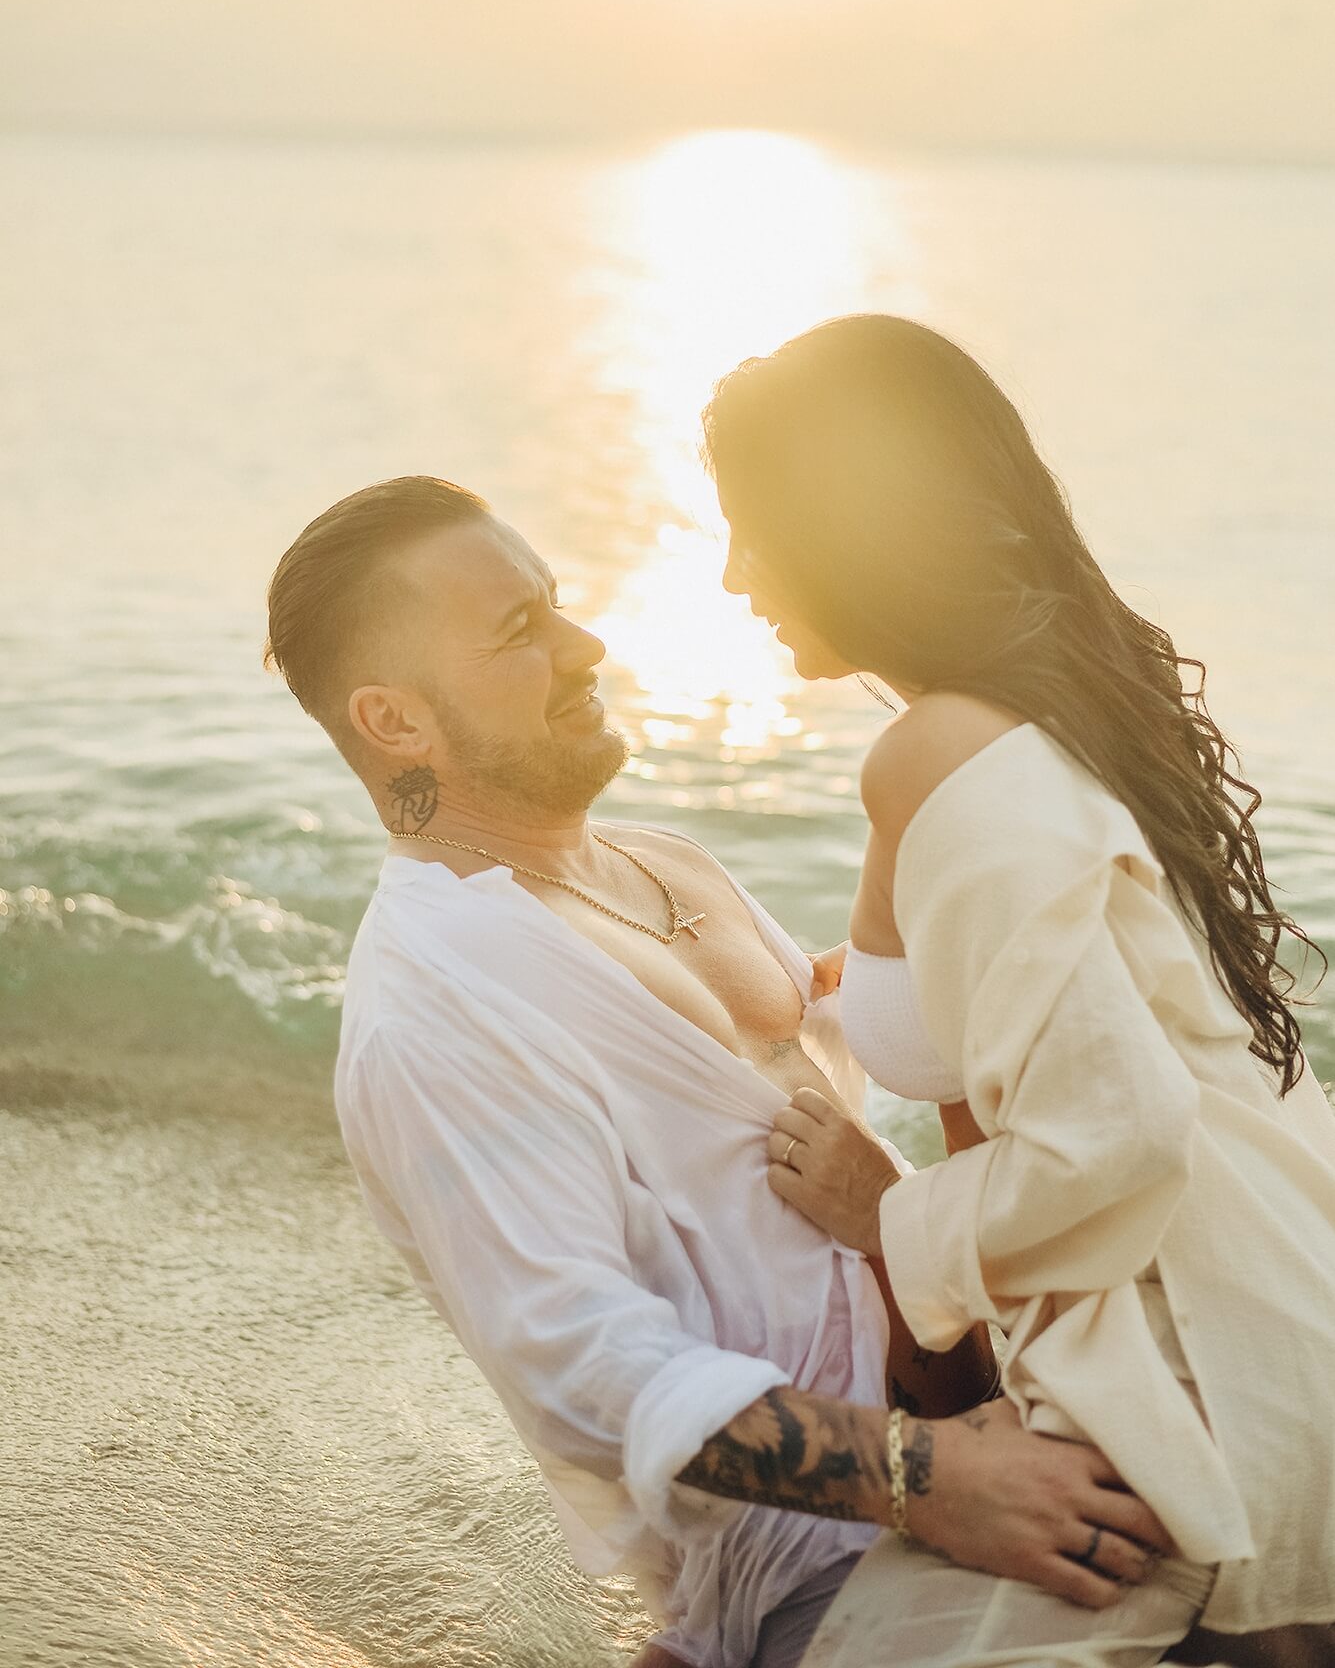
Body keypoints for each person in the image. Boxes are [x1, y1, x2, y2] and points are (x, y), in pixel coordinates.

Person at [262, 475, 1173, 1668]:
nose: (585, 645)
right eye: (518, 633)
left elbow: (851, 1077)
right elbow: (580, 1360)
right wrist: (937, 1480)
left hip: (977, 1399)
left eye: (558, 604)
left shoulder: (659, 860)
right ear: (396, 722)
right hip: (827, 1546)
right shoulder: (436, 1001)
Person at [703, 314, 1335, 1666]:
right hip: (1268, 1306)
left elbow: (1118, 1127)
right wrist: (850, 990)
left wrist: (890, 1218)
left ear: (848, 527)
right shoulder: (1054, 708)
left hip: (1184, 1361)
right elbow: (1070, 990)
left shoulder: (932, 747)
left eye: (752, 528)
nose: (730, 573)